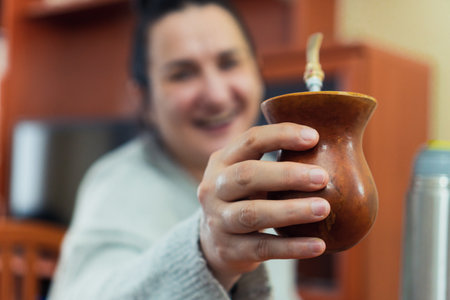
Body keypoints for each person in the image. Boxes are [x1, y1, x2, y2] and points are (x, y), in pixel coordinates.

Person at [49, 0, 331, 299]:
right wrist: (208, 254)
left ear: (257, 70)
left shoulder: (277, 171)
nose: (217, 96)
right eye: (182, 74)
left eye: (229, 63)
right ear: (144, 100)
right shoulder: (117, 184)